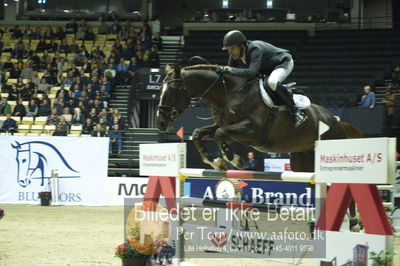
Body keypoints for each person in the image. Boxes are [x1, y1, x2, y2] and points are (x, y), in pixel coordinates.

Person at [218, 30, 307, 127]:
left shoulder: (254, 49)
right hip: (267, 68)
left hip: (282, 63)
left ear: (241, 46)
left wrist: (228, 70)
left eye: (232, 48)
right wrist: (221, 72)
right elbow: (231, 73)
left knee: (272, 82)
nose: (230, 52)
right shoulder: (234, 55)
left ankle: (297, 112)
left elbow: (251, 73)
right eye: (228, 49)